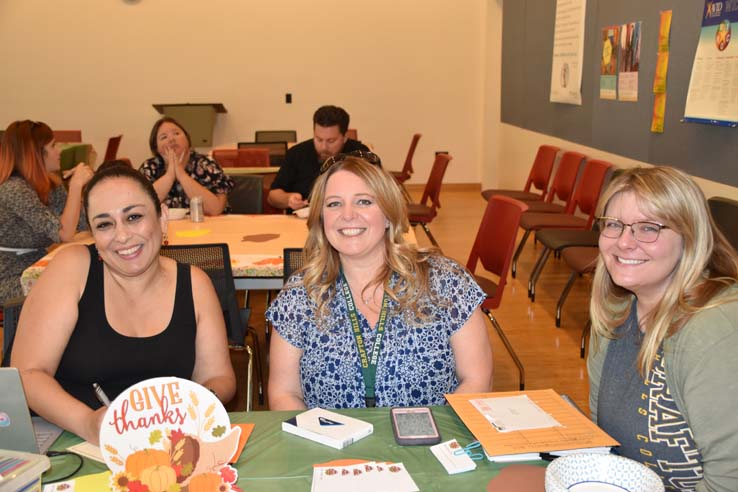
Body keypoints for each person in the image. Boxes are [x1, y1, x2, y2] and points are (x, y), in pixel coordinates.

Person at [11, 163, 236, 445]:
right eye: (105, 224)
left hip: (165, 443)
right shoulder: (72, 269)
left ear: (162, 218)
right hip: (71, 439)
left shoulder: (194, 284)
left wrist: (194, 406)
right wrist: (89, 424)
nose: (122, 236)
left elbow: (218, 376)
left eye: (133, 217)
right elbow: (28, 374)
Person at [267, 155, 492, 410]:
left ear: (388, 214)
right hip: (329, 447)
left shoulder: (444, 281)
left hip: (430, 443)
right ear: (320, 218)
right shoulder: (299, 294)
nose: (348, 215)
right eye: (334, 204)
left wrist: (435, 438)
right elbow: (284, 393)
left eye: (364, 202)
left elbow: (477, 379)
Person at [588, 166, 738, 491]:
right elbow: (603, 438)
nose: (624, 243)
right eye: (614, 225)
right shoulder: (614, 311)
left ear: (690, 238)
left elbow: (730, 481)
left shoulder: (715, 331)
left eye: (647, 228)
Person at [0, 120, 92, 305]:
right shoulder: (13, 189)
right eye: (53, 146)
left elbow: (82, 226)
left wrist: (80, 188)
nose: (59, 152)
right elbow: (64, 234)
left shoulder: (50, 184)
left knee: (88, 277)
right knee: (76, 286)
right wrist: (75, 187)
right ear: (36, 152)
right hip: (11, 276)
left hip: (36, 265)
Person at [267, 105, 370, 211]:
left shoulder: (360, 154)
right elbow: (272, 196)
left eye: (331, 141)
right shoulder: (297, 153)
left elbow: (377, 192)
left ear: (344, 138)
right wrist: (288, 199)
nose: (324, 147)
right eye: (319, 139)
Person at [139, 117, 233, 215]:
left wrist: (181, 174)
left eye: (176, 133)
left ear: (187, 139)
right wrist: (170, 175)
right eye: (164, 137)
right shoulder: (149, 167)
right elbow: (141, 206)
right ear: (156, 148)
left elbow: (215, 209)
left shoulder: (206, 164)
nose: (171, 139)